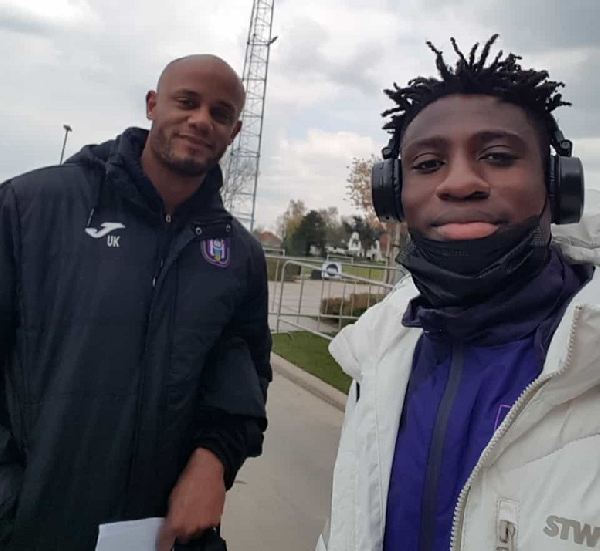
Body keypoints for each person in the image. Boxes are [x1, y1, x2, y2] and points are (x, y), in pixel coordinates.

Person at [317, 36, 600, 551]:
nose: (461, 183)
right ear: (393, 195)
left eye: (496, 156)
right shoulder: (375, 359)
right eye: (428, 164)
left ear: (558, 188)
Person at [0, 54, 272, 551]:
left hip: (160, 536)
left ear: (233, 133)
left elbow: (242, 384)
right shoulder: (30, 206)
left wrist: (214, 461)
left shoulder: (239, 256)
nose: (201, 120)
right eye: (187, 102)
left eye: (220, 113)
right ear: (152, 104)